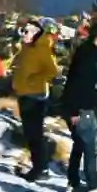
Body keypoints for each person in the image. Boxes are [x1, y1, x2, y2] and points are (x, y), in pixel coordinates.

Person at [63, 21, 97, 192]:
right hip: (82, 108)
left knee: (78, 145)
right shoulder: (88, 56)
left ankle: (73, 181)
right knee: (89, 149)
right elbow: (78, 84)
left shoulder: (85, 52)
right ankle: (92, 186)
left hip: (76, 107)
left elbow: (83, 78)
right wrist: (75, 111)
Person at [8, 19, 59, 181]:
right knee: (30, 134)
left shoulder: (43, 48)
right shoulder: (25, 48)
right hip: (24, 94)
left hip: (36, 96)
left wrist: (33, 80)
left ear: (37, 33)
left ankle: (41, 169)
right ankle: (38, 166)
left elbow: (52, 71)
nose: (23, 33)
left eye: (27, 31)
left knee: (35, 134)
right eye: (23, 30)